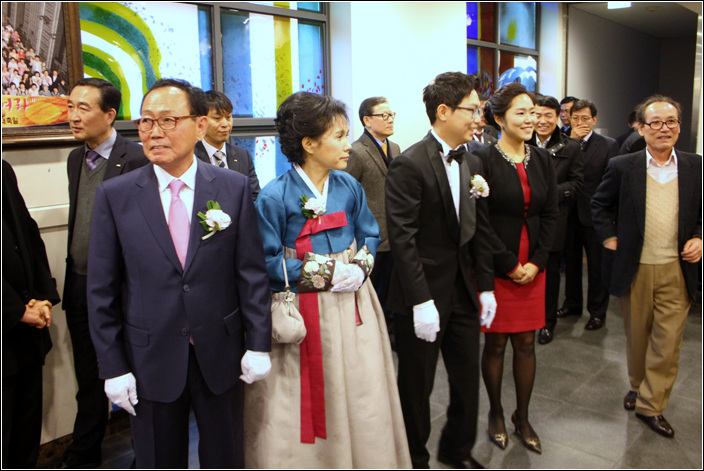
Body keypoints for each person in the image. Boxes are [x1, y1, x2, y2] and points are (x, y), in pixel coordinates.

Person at [87, 78, 272, 468]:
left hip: (220, 352)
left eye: (168, 120)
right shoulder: (116, 195)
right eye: (146, 121)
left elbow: (251, 275)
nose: (155, 132)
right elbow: (102, 290)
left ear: (200, 125)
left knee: (225, 457)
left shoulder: (232, 187)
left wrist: (258, 344)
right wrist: (113, 367)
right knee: (158, 458)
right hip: (149, 356)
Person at [244, 91, 410, 468]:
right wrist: (328, 272)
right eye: (339, 136)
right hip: (304, 309)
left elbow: (369, 233)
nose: (347, 144)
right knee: (305, 393)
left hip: (354, 303)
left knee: (361, 384)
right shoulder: (274, 196)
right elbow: (266, 263)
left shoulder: (348, 186)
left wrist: (361, 266)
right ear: (309, 143)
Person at [385, 72, 496, 469]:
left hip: (463, 290)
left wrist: (486, 287)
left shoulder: (473, 159)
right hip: (423, 296)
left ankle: (457, 449)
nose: (479, 118)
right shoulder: (409, 163)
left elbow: (479, 229)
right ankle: (414, 458)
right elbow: (403, 239)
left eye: (480, 110)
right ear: (444, 111)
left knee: (467, 380)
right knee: (417, 386)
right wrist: (420, 301)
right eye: (472, 110)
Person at [592, 95, 702, 439]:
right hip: (635, 267)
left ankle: (651, 405)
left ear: (679, 127)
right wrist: (609, 238)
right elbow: (599, 205)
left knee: (667, 342)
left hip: (677, 269)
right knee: (638, 337)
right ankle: (637, 385)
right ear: (641, 128)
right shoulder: (623, 166)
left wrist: (700, 237)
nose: (664, 128)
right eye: (655, 122)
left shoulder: (696, 166)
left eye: (671, 121)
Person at [59, 78, 148, 469]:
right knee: (88, 377)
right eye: (71, 106)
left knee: (133, 374)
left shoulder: (138, 159)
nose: (74, 116)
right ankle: (84, 454)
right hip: (80, 284)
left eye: (84, 108)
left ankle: (145, 454)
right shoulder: (74, 158)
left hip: (122, 288)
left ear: (110, 115)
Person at [474, 84, 558, 454]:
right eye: (521, 113)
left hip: (534, 263)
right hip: (497, 263)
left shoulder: (542, 159)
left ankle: (522, 417)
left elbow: (551, 213)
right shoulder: (482, 160)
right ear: (499, 118)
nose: (530, 119)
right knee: (495, 344)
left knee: (526, 343)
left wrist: (538, 261)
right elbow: (480, 221)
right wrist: (509, 264)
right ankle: (495, 412)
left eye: (533, 112)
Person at [2, 160, 61, 469]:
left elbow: (28, 232)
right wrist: (15, 311)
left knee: (25, 435)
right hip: (9, 323)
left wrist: (43, 297)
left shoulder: (3, 170)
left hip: (27, 334)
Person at [559, 99, 619, 330]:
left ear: (594, 120)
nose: (580, 122)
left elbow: (612, 183)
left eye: (585, 118)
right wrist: (572, 142)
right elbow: (560, 172)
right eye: (576, 118)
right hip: (568, 212)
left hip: (595, 215)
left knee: (597, 267)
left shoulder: (608, 145)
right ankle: (572, 303)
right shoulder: (563, 143)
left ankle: (597, 312)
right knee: (571, 264)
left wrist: (611, 215)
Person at [529, 94, 584, 344]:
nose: (542, 121)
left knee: (550, 274)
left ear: (559, 117)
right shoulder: (522, 142)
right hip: (525, 220)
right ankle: (526, 318)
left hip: (554, 220)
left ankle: (547, 322)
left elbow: (577, 183)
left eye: (548, 116)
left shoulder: (570, 147)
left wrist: (551, 193)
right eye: (537, 115)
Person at [344, 96, 400, 338]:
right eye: (383, 115)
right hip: (370, 234)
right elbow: (347, 193)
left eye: (391, 115)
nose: (390, 120)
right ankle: (373, 335)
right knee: (374, 289)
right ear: (367, 120)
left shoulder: (395, 148)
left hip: (395, 231)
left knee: (392, 289)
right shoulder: (357, 151)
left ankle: (390, 332)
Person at [194, 90, 261, 200]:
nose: (225, 124)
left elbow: (254, 196)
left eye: (228, 117)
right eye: (217, 118)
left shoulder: (242, 155)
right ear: (202, 122)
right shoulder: (191, 158)